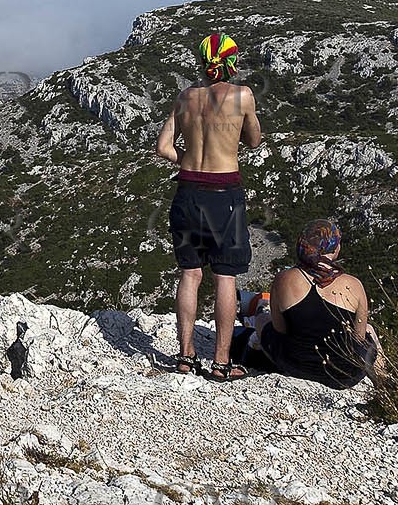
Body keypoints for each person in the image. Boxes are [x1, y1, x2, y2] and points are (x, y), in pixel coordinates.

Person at [154, 33, 261, 381]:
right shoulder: (242, 96)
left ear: (201, 63)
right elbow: (254, 140)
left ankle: (185, 357)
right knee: (225, 276)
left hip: (186, 193)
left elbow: (162, 147)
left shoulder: (184, 98)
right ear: (232, 63)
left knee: (190, 274)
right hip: (222, 194)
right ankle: (221, 362)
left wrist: (186, 159)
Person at [238, 219, 383, 389]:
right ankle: (384, 383)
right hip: (342, 375)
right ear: (335, 249)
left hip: (294, 366)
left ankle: (251, 353)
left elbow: (280, 330)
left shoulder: (284, 279)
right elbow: (358, 340)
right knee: (369, 331)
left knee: (262, 319)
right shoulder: (354, 285)